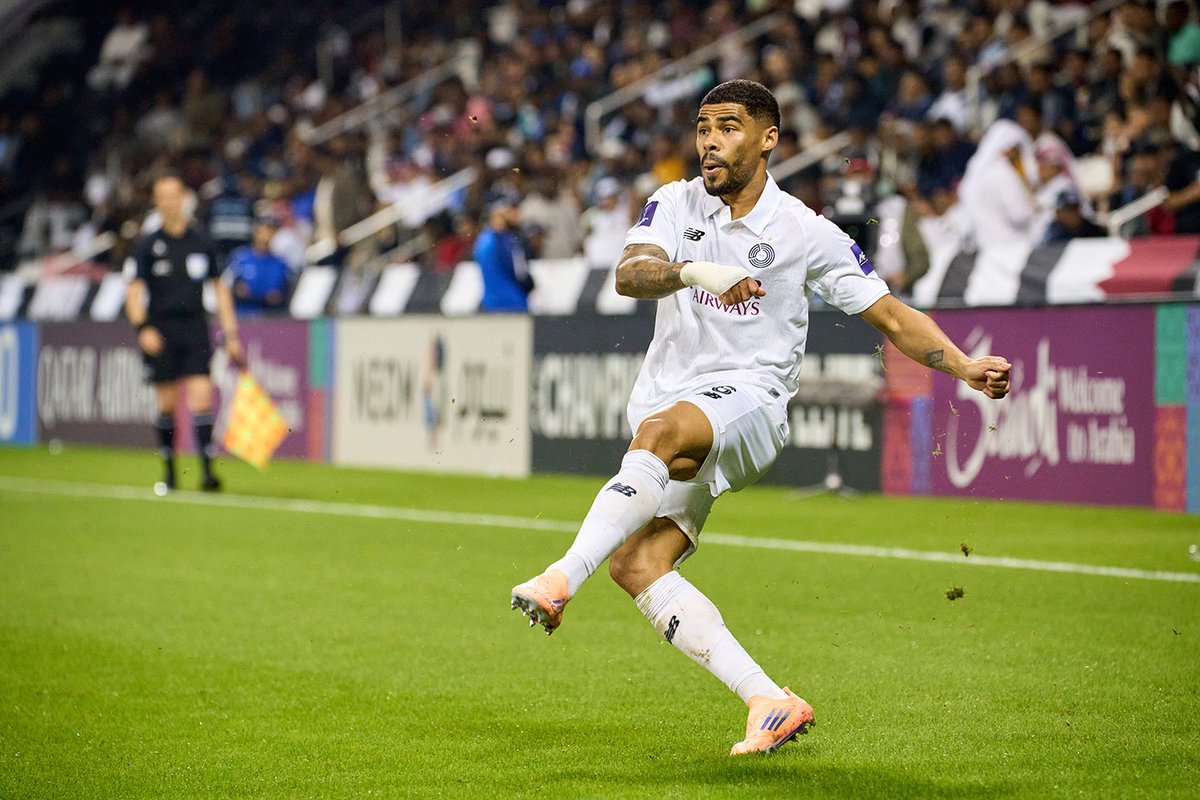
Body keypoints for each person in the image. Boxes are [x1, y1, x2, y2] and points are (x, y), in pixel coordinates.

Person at [510, 80, 1011, 756]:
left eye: (727, 126)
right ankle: (769, 701)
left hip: (751, 403)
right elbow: (630, 274)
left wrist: (962, 365)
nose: (709, 141)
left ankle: (560, 578)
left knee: (657, 437)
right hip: (676, 401)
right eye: (702, 127)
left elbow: (890, 314)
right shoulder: (676, 202)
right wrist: (693, 271)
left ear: (768, 138)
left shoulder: (803, 231)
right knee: (639, 564)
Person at [124, 173, 245, 493]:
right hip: (161, 330)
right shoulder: (148, 245)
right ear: (156, 201)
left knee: (202, 396)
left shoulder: (201, 240)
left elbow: (220, 290)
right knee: (166, 403)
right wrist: (143, 328)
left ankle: (207, 472)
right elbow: (133, 294)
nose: (169, 202)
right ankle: (170, 472)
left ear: (183, 198)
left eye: (174, 195)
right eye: (162, 196)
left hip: (194, 328)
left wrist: (232, 335)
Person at [473, 195, 533, 312]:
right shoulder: (505, 240)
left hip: (490, 302)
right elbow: (520, 273)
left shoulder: (483, 239)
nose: (517, 213)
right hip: (513, 302)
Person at [225, 212, 291, 315]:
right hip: (241, 316)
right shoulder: (239, 257)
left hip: (270, 319)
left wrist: (251, 294)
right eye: (264, 229)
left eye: (271, 230)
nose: (267, 234)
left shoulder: (280, 263)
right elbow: (230, 288)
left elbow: (278, 296)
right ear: (255, 230)